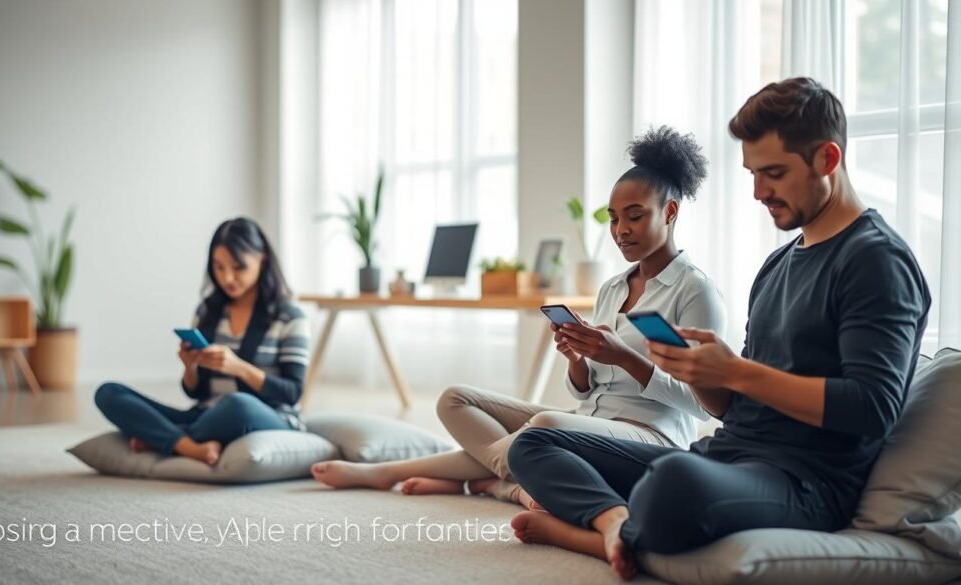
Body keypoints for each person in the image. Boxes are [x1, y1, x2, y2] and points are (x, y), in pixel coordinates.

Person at [506, 77, 932, 581]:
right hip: (729, 453)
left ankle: (586, 535)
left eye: (773, 173)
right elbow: (731, 410)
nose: (758, 192)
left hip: (805, 481)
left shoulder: (875, 261)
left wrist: (737, 372)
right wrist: (704, 374)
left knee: (674, 480)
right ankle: (613, 523)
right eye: (753, 174)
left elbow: (873, 407)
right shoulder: (778, 265)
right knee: (534, 444)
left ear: (827, 159)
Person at [311, 126, 726, 509]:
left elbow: (702, 406)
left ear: (669, 212)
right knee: (455, 399)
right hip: (589, 421)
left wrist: (623, 356)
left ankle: (402, 474)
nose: (621, 230)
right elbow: (587, 392)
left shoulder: (695, 290)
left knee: (542, 426)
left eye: (635, 216)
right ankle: (501, 481)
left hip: (652, 436)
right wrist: (577, 359)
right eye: (614, 219)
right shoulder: (613, 288)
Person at [95, 217, 310, 466]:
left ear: (262, 259)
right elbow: (196, 392)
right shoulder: (208, 312)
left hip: (264, 415)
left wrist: (238, 367)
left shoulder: (290, 317)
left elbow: (292, 392)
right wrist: (190, 368)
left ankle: (166, 439)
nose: (227, 277)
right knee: (108, 393)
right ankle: (191, 447)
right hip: (207, 417)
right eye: (219, 267)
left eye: (238, 267)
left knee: (238, 405)